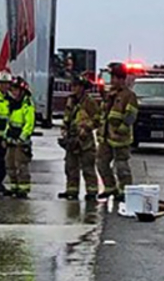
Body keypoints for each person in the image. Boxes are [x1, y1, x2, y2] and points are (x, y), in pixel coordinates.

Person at [96, 62, 139, 204]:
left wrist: (122, 128)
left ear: (121, 79)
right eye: (112, 78)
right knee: (101, 163)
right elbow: (104, 113)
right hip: (106, 137)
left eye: (115, 78)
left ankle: (125, 191)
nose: (112, 81)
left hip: (120, 138)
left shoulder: (129, 96)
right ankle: (110, 187)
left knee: (121, 167)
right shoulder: (109, 95)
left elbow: (131, 115)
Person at [58, 75, 101, 199]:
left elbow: (98, 119)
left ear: (82, 88)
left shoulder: (89, 102)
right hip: (71, 138)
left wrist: (87, 129)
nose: (73, 88)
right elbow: (67, 117)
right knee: (70, 166)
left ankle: (92, 192)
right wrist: (64, 129)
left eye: (76, 86)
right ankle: (72, 191)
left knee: (88, 167)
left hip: (85, 140)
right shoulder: (70, 101)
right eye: (73, 86)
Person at [1, 76, 36, 197]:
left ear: (22, 91)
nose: (14, 92)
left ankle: (23, 189)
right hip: (11, 139)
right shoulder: (12, 104)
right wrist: (5, 137)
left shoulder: (27, 105)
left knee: (21, 165)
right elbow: (9, 123)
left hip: (21, 141)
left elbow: (29, 124)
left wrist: (22, 138)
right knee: (9, 164)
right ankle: (14, 187)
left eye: (16, 90)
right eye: (13, 90)